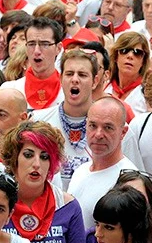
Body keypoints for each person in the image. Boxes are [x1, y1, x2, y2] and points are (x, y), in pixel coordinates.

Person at [1, 121, 84, 243]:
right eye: (28, 155)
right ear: (14, 158)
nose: (37, 164)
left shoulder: (69, 207)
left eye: (45, 156)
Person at [29, 49, 99, 188]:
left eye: (82, 75)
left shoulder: (111, 126)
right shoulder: (38, 121)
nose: (74, 79)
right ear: (60, 79)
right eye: (69, 74)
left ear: (94, 81)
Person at [67, 96, 138, 229]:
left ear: (123, 132)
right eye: (93, 126)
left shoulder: (129, 181)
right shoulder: (80, 171)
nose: (98, 134)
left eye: (108, 128)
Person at [0, 17, 64, 110]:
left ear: (58, 48)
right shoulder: (9, 90)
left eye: (44, 44)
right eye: (32, 44)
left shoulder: (69, 91)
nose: (37, 51)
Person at [105, 32, 150, 114]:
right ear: (116, 57)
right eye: (124, 50)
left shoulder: (148, 94)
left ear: (143, 61)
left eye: (137, 53)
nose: (130, 56)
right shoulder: (103, 87)